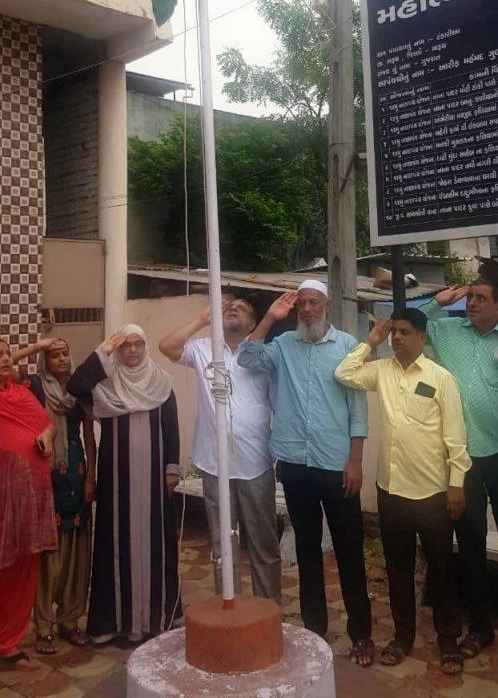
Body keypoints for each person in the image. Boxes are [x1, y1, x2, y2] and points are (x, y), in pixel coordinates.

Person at [238, 280, 373, 666]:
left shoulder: (348, 346)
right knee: (307, 548)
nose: (308, 309)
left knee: (349, 549)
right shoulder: (283, 346)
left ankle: (361, 633)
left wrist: (355, 460)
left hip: (336, 465)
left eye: (314, 303)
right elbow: (247, 358)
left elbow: (358, 407)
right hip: (295, 464)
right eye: (302, 304)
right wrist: (269, 317)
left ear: (327, 306)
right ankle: (315, 628)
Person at [335, 308, 471, 675]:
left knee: (441, 569)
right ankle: (403, 636)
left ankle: (448, 640)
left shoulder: (441, 378)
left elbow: (455, 436)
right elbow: (343, 373)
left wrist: (456, 483)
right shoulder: (382, 371)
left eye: (405, 332)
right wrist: (370, 342)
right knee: (398, 569)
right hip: (391, 491)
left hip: (432, 492)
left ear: (422, 338)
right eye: (394, 332)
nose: (397, 338)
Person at [159, 297, 281, 603]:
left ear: (252, 324)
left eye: (242, 308)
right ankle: (229, 608)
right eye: (229, 307)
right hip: (214, 464)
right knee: (221, 545)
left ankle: (268, 610)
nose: (233, 309)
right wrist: (202, 320)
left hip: (256, 463)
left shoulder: (264, 355)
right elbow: (167, 346)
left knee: (263, 543)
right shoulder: (203, 349)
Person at [67, 324, 181, 643]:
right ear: (117, 350)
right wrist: (101, 351)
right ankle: (115, 623)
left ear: (145, 347)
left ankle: (155, 619)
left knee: (156, 543)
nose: (132, 350)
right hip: (116, 480)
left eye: (137, 344)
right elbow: (75, 385)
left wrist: (172, 469)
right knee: (116, 544)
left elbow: (171, 430)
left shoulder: (161, 384)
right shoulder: (106, 386)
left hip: (155, 481)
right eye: (125, 345)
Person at [420, 281, 498, 657]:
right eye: (470, 297)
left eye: (482, 298)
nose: (472, 303)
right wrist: (438, 301)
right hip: (461, 460)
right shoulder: (448, 331)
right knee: (470, 543)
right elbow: (409, 321)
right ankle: (481, 628)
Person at [11, 337, 96, 654]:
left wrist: (91, 476)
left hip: (76, 470)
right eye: (54, 355)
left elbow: (89, 435)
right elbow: (5, 366)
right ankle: (44, 626)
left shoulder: (78, 389)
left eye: (65, 353)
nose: (61, 358)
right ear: (44, 362)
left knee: (76, 549)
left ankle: (70, 620)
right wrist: (37, 346)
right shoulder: (34, 385)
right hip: (44, 471)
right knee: (48, 550)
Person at [0, 338, 57, 670]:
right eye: (0, 355)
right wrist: (34, 347)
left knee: (22, 564)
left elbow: (48, 423)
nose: (6, 359)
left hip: (28, 500)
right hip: (3, 499)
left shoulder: (22, 394)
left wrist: (47, 436)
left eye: (8, 354)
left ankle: (9, 640)